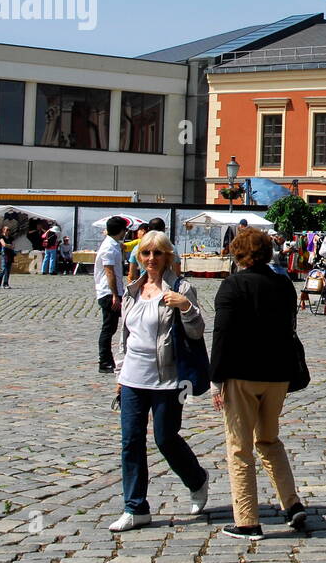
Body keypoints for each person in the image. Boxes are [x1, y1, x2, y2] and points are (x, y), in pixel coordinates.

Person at [109, 231, 210, 532]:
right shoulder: (131, 291)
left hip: (168, 380)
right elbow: (124, 338)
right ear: (138, 257)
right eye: (145, 253)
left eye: (157, 253)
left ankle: (197, 479)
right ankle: (135, 507)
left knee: (165, 438)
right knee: (131, 442)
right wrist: (119, 374)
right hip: (132, 378)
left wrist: (186, 307)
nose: (151, 259)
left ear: (168, 257)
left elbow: (197, 331)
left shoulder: (181, 288)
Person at [211, 228, 308, 538]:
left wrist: (215, 379)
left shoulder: (232, 286)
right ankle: (292, 504)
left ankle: (247, 520)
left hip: (241, 373)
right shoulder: (283, 285)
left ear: (238, 254)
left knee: (239, 447)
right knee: (268, 440)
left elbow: (222, 335)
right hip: (278, 374)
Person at [95, 216, 128, 374]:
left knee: (112, 326)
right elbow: (109, 273)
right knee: (109, 327)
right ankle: (105, 361)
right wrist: (115, 294)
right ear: (120, 230)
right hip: (108, 292)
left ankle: (108, 360)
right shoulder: (109, 247)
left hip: (112, 291)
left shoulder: (113, 245)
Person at [0, 225, 15, 289]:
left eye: (9, 230)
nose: (8, 231)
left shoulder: (11, 238)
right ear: (3, 230)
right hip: (4, 255)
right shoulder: (1, 237)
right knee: (3, 269)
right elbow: (4, 244)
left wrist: (9, 246)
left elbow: (13, 245)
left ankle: (5, 284)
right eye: (7, 229)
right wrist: (9, 245)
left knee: (8, 270)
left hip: (10, 254)